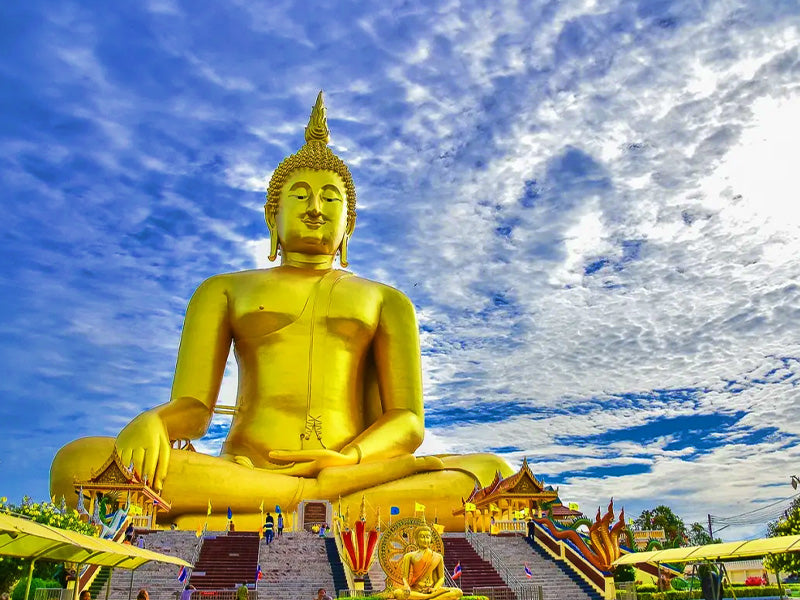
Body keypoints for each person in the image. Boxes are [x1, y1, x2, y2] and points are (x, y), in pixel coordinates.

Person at [49, 92, 512, 529]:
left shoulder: (387, 300)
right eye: (299, 196)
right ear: (273, 216)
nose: (315, 209)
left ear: (349, 223)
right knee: (77, 462)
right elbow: (195, 410)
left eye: (331, 200)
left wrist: (347, 460)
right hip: (246, 469)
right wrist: (154, 420)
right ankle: (311, 504)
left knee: (489, 471)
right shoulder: (224, 290)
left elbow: (407, 421)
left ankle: (242, 517)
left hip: (352, 470)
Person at [394, 526, 462, 600]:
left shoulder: (438, 556)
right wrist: (406, 586)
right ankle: (429, 598)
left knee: (458, 592)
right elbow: (404, 577)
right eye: (422, 537)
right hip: (416, 589)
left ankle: (427, 598)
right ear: (416, 539)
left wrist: (435, 588)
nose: (425, 540)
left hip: (431, 590)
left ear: (431, 539)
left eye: (428, 537)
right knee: (398, 593)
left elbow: (441, 578)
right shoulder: (409, 556)